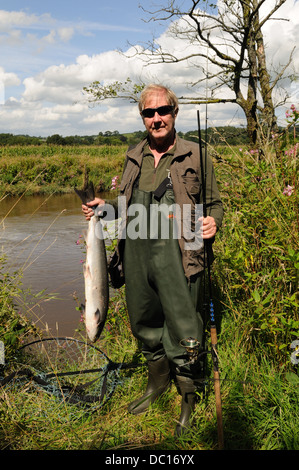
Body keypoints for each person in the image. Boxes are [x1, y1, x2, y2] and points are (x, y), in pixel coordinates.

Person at [82, 84, 224, 436]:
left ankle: (189, 396)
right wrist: (106, 208)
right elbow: (126, 206)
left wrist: (212, 222)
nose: (156, 118)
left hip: (182, 246)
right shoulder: (134, 155)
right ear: (142, 117)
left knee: (184, 325)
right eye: (149, 113)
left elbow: (215, 204)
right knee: (143, 319)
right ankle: (157, 383)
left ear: (174, 113)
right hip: (136, 249)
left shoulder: (196, 154)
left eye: (163, 111)